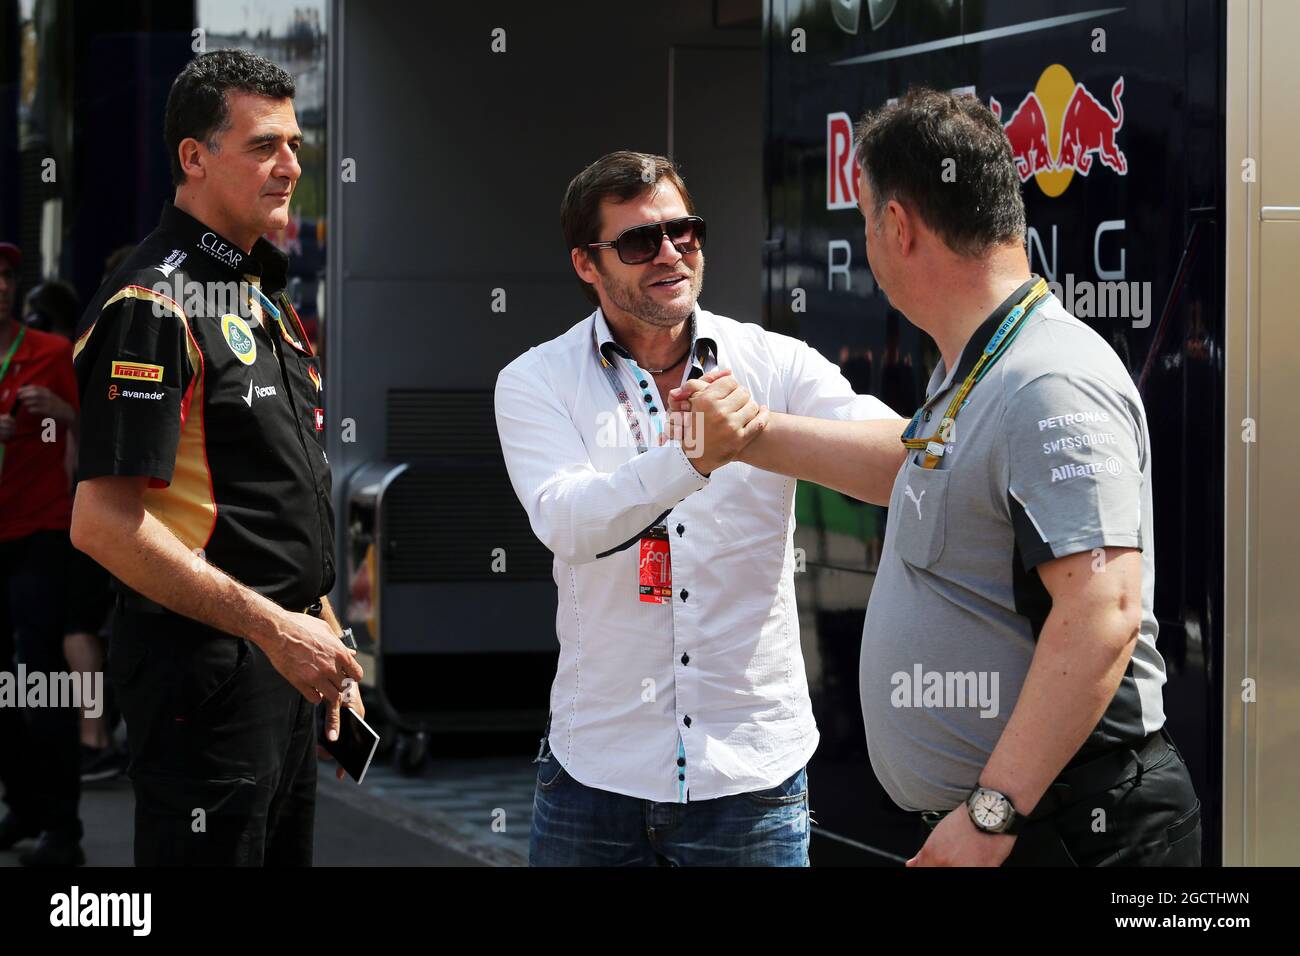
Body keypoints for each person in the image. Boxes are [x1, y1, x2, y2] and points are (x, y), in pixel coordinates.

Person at [675, 88, 1200, 866]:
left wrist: (992, 814)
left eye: (863, 218)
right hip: (1032, 822)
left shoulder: (1046, 377)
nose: (864, 239)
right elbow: (911, 464)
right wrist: (747, 435)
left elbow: (1103, 613)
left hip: (1075, 830)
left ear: (898, 225)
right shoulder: (979, 363)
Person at [495, 150, 903, 866]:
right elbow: (568, 524)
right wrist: (690, 457)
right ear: (586, 264)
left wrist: (758, 434)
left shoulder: (772, 362)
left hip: (750, 780)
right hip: (596, 777)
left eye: (684, 232)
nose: (669, 254)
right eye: (637, 241)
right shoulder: (535, 380)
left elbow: (899, 462)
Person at [69, 49, 361, 866]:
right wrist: (275, 626)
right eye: (265, 145)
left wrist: (319, 623)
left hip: (278, 655)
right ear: (194, 158)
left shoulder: (257, 291)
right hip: (208, 667)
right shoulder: (153, 302)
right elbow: (102, 524)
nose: (292, 166)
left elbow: (268, 493)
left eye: (296, 144)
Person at [0, 240, 86, 866]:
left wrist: (62, 413)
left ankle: (62, 828)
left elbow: (102, 438)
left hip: (40, 535)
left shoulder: (53, 354)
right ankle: (25, 804)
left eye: (6, 277)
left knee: (44, 684)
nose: (1, 287)